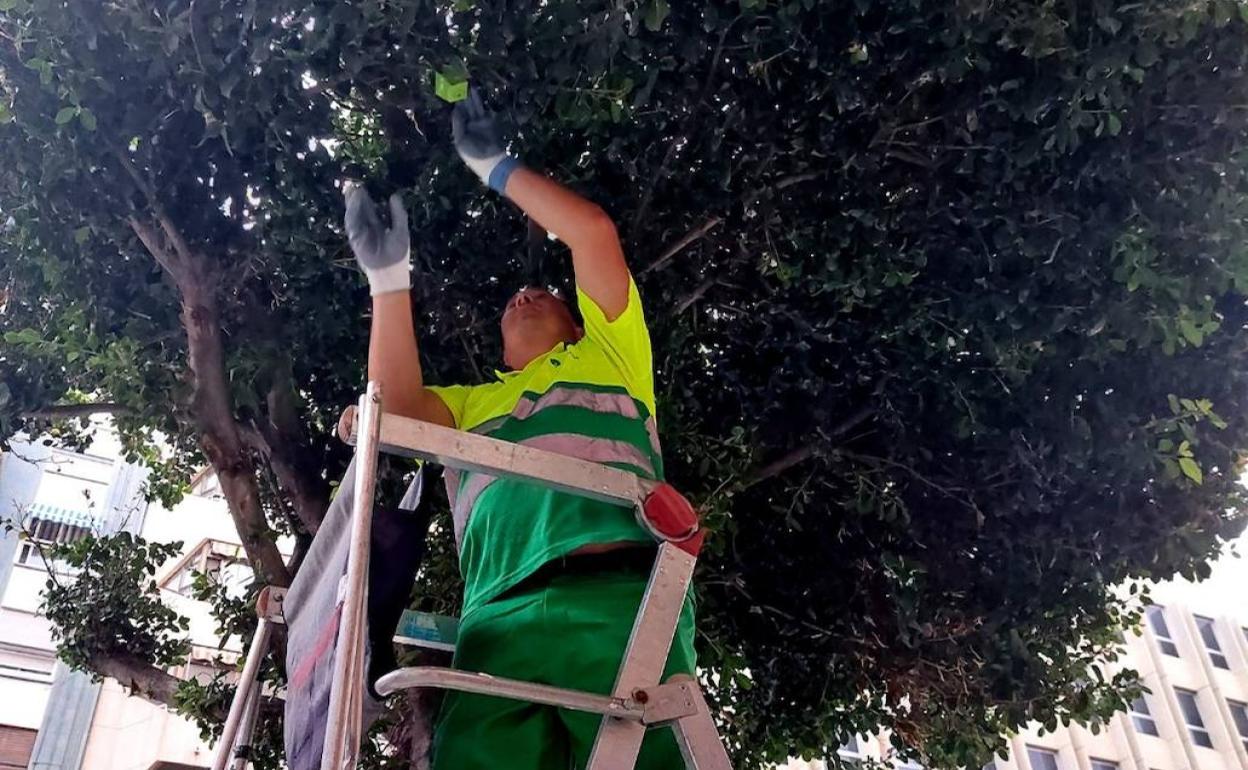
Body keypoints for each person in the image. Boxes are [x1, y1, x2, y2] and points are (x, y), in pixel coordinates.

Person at [342, 90, 696, 770]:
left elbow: (592, 233)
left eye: (543, 294)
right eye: (511, 302)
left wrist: (494, 166)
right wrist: (388, 282)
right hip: (495, 621)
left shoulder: (612, 357)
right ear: (502, 350)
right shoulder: (472, 406)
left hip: (621, 598)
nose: (525, 296)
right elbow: (396, 416)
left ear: (578, 320)